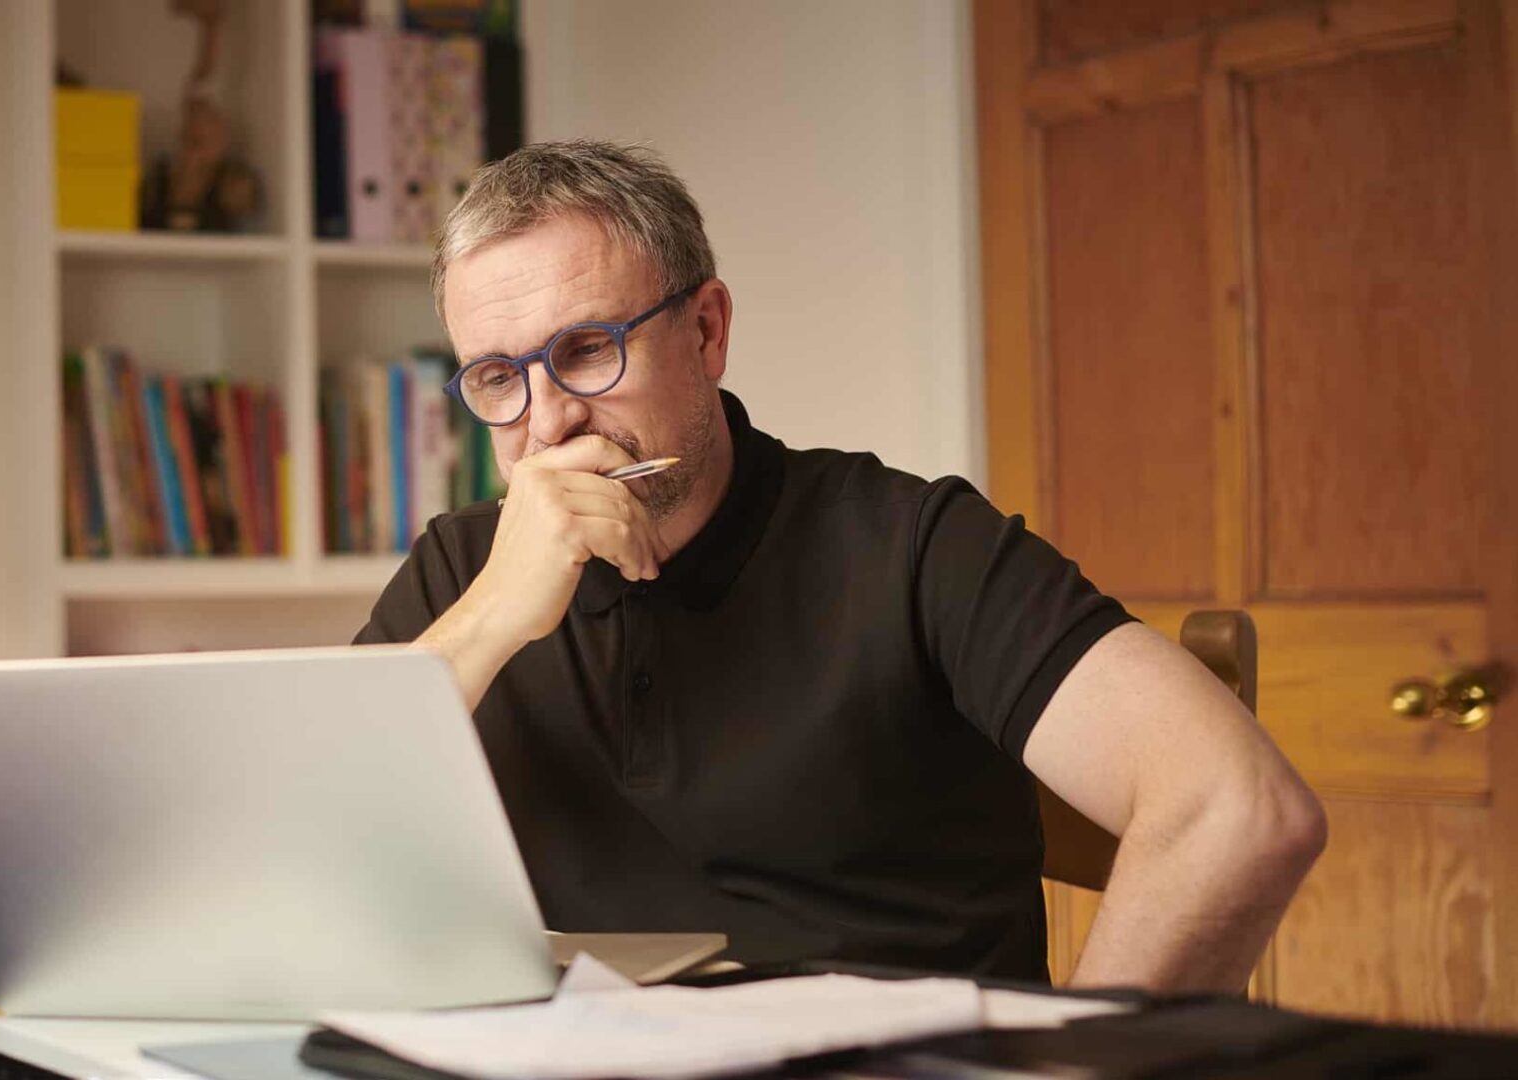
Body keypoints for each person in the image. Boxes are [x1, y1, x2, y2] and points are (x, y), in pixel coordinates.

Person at [356, 140, 1325, 990]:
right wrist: (490, 619)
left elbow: (1237, 809)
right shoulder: (461, 572)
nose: (549, 419)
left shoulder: (911, 545)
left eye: (585, 350)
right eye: (496, 378)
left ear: (704, 333)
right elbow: (300, 864)